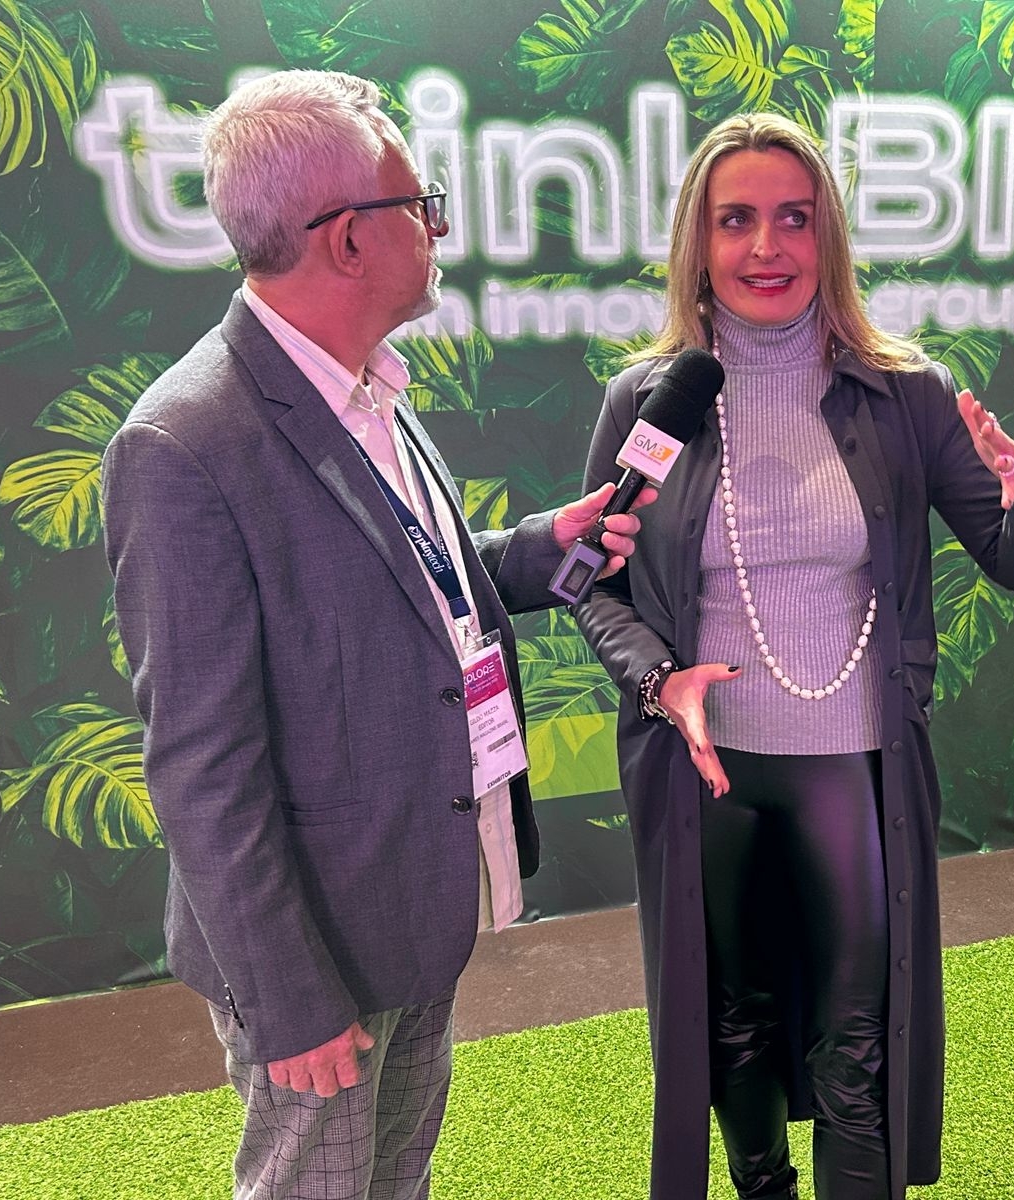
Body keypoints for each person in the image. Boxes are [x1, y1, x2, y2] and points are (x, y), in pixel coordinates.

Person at [101, 70, 648, 1199]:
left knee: (396, 1178)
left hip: (411, 896)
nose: (437, 228)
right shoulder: (184, 444)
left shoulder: (364, 385)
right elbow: (200, 762)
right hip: (319, 945)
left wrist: (539, 549)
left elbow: (401, 585)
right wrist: (288, 995)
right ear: (348, 238)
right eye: (420, 203)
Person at [573, 112, 1014, 1200]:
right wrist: (658, 680)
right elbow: (593, 584)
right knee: (733, 1022)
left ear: (828, 236)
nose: (767, 247)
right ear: (698, 240)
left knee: (858, 1041)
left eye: (794, 219)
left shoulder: (907, 391)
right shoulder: (648, 401)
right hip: (707, 769)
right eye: (736, 221)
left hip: (853, 762)